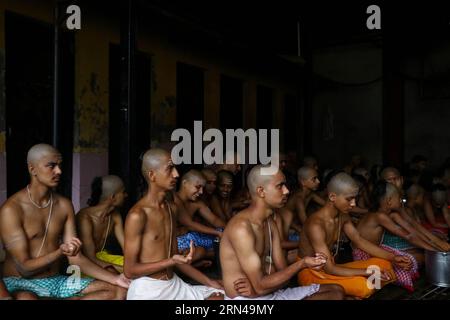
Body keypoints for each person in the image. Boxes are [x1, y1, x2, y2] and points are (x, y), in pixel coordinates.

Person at [0, 144, 129, 300]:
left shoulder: (64, 205)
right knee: (26, 298)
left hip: (57, 281)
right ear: (32, 169)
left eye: (60, 166)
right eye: (51, 166)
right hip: (21, 282)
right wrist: (60, 252)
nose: (59, 171)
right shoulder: (11, 209)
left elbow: (76, 258)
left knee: (118, 290)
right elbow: (24, 268)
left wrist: (115, 279)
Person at [220, 165, 344, 300]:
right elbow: (263, 284)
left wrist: (263, 285)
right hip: (245, 300)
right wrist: (301, 264)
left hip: (264, 293)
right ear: (261, 191)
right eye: (280, 186)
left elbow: (283, 277)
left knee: (336, 291)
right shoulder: (241, 228)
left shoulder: (269, 223)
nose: (286, 191)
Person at [124, 148, 223, 300]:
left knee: (223, 294)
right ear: (152, 175)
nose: (176, 174)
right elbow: (130, 271)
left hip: (174, 285)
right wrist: (170, 261)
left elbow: (176, 260)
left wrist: (209, 281)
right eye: (170, 169)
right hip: (148, 290)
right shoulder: (137, 215)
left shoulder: (171, 209)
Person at [297, 173, 411, 299]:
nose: (353, 204)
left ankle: (354, 293)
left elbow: (359, 240)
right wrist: (367, 272)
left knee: (384, 265)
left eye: (355, 199)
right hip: (313, 273)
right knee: (365, 285)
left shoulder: (343, 216)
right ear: (332, 196)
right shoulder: (316, 225)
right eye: (349, 199)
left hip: (333, 267)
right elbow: (329, 268)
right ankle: (357, 291)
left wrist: (393, 257)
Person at [354, 181, 437, 291]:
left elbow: (410, 230)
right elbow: (409, 236)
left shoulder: (382, 214)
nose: (401, 200)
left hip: (374, 251)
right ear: (389, 201)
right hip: (365, 255)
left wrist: (432, 247)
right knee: (416, 258)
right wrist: (434, 250)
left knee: (419, 255)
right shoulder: (380, 216)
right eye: (398, 197)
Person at [76, 175, 127, 273]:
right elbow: (90, 258)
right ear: (113, 197)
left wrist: (136, 265)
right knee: (115, 272)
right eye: (123, 192)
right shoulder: (85, 217)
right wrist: (129, 270)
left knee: (136, 264)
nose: (126, 195)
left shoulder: (115, 216)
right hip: (85, 264)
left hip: (101, 258)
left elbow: (126, 249)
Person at [175, 170, 225, 260]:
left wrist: (229, 230)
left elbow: (214, 220)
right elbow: (190, 225)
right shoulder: (175, 200)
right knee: (218, 247)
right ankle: (182, 265)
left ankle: (197, 262)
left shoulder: (196, 203)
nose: (201, 192)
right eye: (198, 187)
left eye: (202, 188)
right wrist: (218, 233)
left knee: (223, 240)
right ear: (185, 183)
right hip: (178, 241)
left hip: (192, 238)